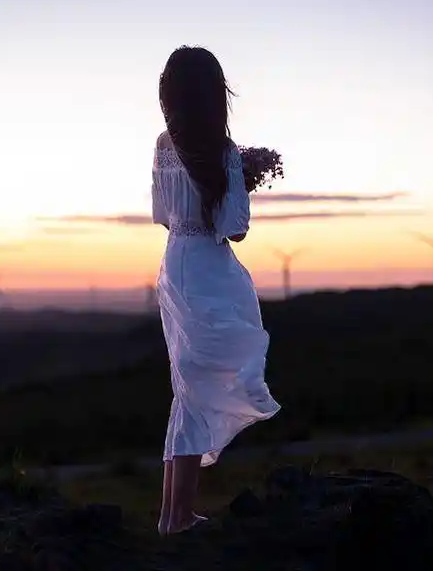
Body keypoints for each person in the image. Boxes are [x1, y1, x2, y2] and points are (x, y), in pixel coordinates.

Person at [151, 45, 281, 536]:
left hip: (175, 264)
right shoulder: (224, 154)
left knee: (186, 387)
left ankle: (171, 515)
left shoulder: (163, 144)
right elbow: (235, 227)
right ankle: (178, 516)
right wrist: (240, 181)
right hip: (208, 267)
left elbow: (163, 213)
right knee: (197, 389)